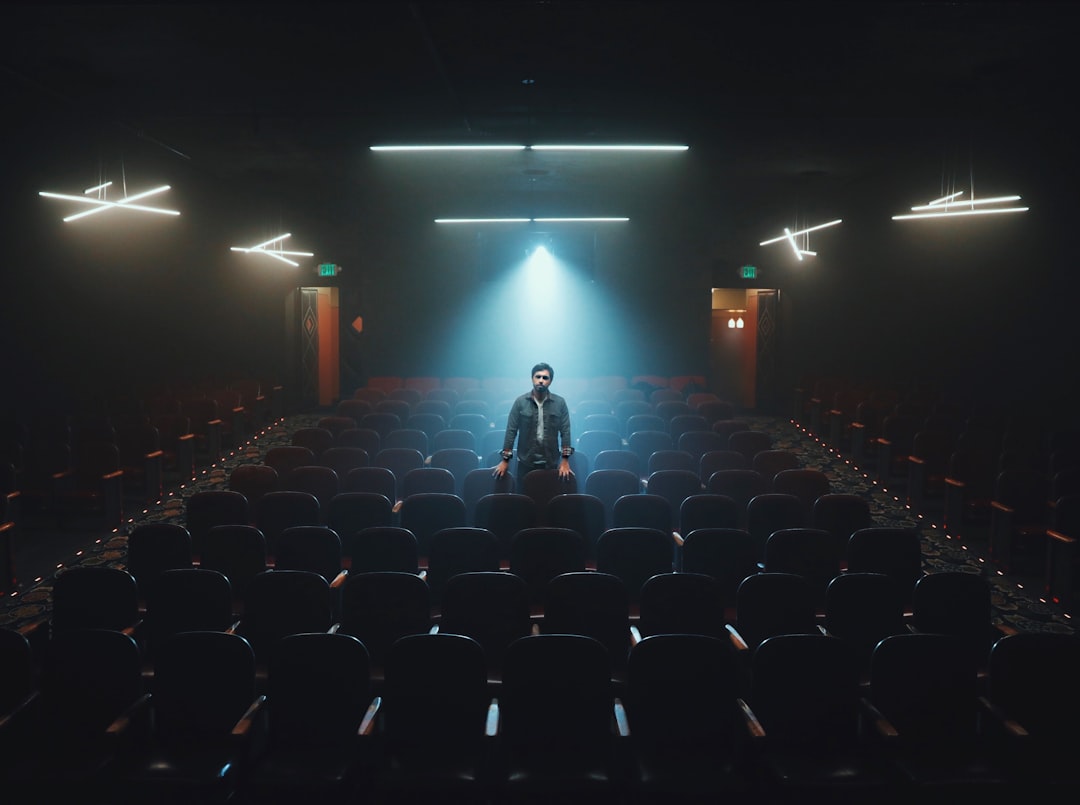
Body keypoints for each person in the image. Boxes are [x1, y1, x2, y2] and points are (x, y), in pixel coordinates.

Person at [494, 362, 574, 484]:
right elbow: (511, 431)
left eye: (545, 377)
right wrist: (505, 460)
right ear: (532, 378)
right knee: (524, 499)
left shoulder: (560, 403)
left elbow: (565, 431)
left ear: (550, 381)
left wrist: (565, 461)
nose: (541, 380)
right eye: (538, 377)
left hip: (551, 462)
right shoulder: (520, 402)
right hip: (525, 461)